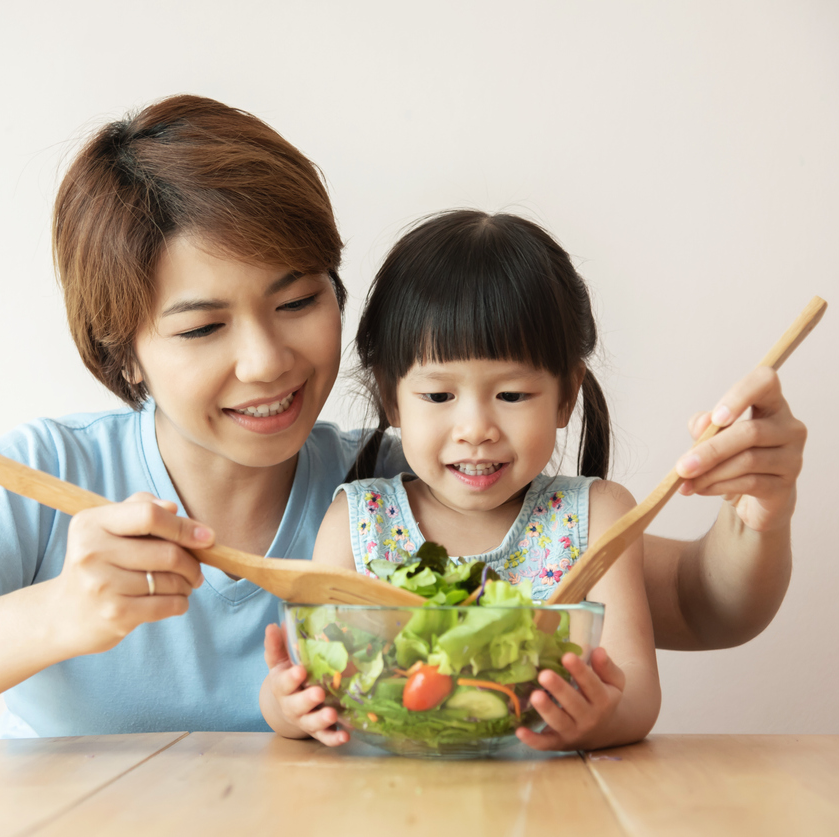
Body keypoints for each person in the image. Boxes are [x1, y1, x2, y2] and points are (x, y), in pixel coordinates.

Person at [0, 95, 805, 755]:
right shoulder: (50, 474)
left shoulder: (416, 485)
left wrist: (757, 505)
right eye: (203, 324)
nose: (267, 360)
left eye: (298, 299)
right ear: (123, 348)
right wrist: (60, 617)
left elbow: (697, 607)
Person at [261, 211, 660, 751]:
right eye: (439, 396)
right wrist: (289, 706)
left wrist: (599, 719)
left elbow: (636, 689)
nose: (475, 430)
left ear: (566, 396)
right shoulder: (358, 521)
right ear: (390, 396)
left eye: (513, 395)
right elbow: (312, 671)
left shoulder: (597, 517)